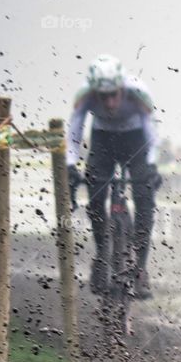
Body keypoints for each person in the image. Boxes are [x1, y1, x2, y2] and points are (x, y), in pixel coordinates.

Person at [66, 55, 159, 298]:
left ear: (122, 86)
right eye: (103, 96)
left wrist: (151, 165)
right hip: (103, 139)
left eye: (113, 94)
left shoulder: (137, 90)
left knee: (144, 197)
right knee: (95, 195)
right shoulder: (85, 94)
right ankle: (101, 256)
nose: (108, 102)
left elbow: (151, 127)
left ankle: (139, 268)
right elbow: (75, 127)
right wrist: (70, 164)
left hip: (135, 139)